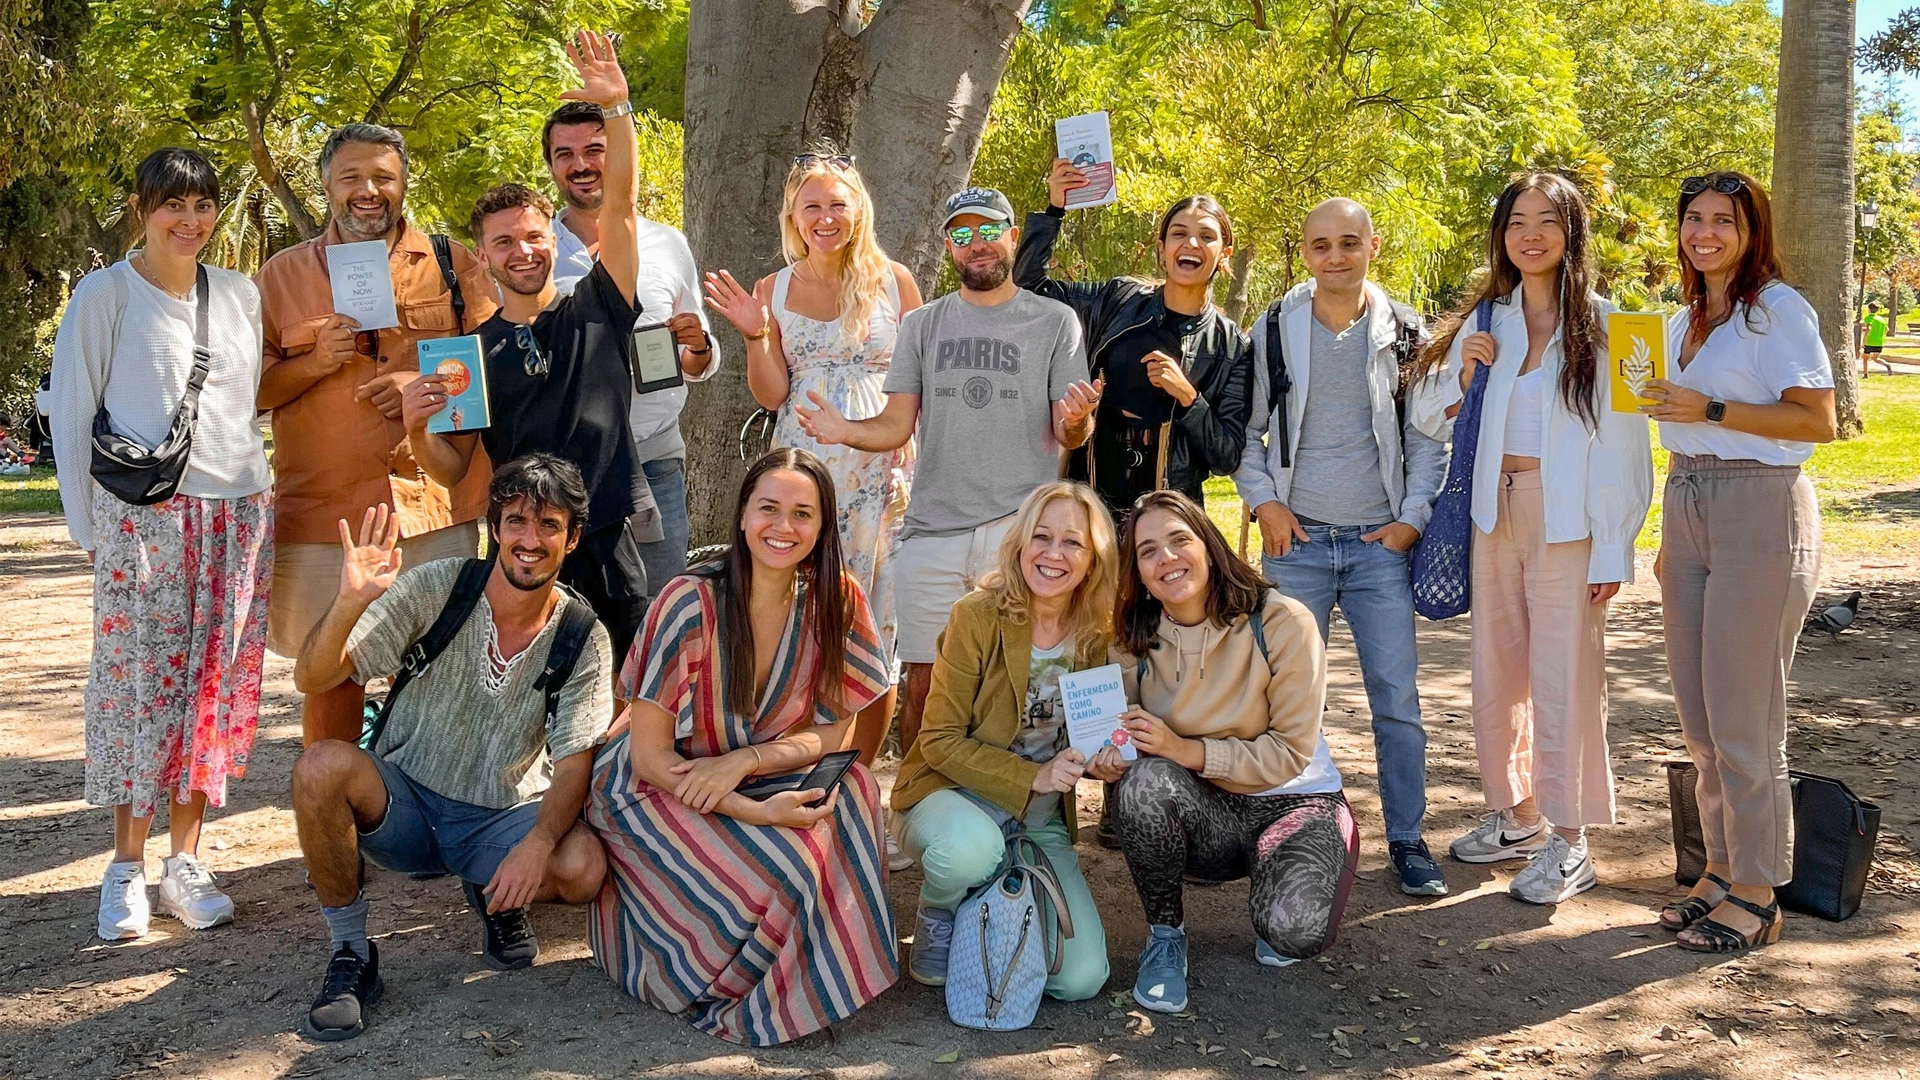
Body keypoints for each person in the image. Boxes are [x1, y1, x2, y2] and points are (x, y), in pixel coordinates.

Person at [288, 454, 613, 1041]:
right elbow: (314, 677)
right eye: (516, 521)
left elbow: (575, 761)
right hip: (403, 806)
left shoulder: (581, 634)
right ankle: (351, 953)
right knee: (319, 767)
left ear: (572, 539)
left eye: (548, 525)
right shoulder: (440, 587)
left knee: (582, 866)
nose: (530, 540)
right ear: (495, 528)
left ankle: (496, 896)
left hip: (497, 818)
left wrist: (538, 843)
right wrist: (349, 601)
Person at [585, 448, 897, 1046]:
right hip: (655, 784)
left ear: (823, 526)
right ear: (743, 515)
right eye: (768, 508)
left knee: (855, 788)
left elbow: (836, 734)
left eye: (802, 514)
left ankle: (811, 984)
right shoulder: (687, 600)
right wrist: (755, 810)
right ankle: (731, 986)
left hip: (754, 769)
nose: (783, 527)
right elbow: (649, 758)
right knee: (785, 865)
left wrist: (745, 763)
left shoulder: (836, 597)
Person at [1405, 172, 1653, 905]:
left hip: (1568, 520)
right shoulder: (1490, 319)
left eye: (1547, 220)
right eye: (1517, 221)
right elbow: (1425, 417)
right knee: (1498, 673)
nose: (1531, 234)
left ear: (1572, 232)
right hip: (1493, 512)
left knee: (1564, 677)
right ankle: (1517, 815)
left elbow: (1629, 447)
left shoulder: (1616, 327)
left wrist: (1614, 545)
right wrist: (1464, 374)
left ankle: (1571, 839)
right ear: (1502, 235)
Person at [797, 186, 1099, 782]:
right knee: (924, 682)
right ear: (949, 247)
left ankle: (1016, 802)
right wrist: (844, 430)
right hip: (932, 531)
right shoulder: (922, 325)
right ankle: (918, 801)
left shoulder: (1054, 321)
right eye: (962, 234)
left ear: (1013, 236)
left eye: (988, 230)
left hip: (1019, 531)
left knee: (1013, 679)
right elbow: (895, 425)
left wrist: (1078, 419)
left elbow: (1070, 430)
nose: (976, 244)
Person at [49, 147, 274, 942]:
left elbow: (249, 402)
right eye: (172, 204)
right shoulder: (107, 293)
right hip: (143, 518)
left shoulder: (240, 294)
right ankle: (124, 869)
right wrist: (87, 529)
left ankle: (185, 862)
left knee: (211, 688)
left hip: (238, 512)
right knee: (139, 688)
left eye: (203, 204)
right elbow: (72, 411)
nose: (190, 220)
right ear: (142, 210)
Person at [403, 31, 650, 663]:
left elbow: (621, 205)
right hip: (521, 550)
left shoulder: (599, 305)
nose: (523, 251)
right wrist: (417, 429)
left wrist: (617, 109)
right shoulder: (466, 356)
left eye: (534, 237)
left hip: (603, 540)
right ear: (483, 256)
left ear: (554, 240)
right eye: (504, 242)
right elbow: (451, 468)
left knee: (623, 691)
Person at [1640, 172, 1837, 953]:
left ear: (1753, 231)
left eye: (1724, 219)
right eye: (1694, 218)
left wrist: (1711, 409)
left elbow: (1818, 420)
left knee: (1744, 718)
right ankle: (1718, 870)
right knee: (1700, 719)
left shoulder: (1777, 311)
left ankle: (1758, 893)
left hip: (1760, 505)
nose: (1706, 233)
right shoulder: (1685, 317)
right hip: (1688, 499)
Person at [256, 121, 498, 745]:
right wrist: (314, 362)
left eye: (383, 177)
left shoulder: (452, 264)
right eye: (352, 178)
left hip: (432, 507)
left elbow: (486, 371)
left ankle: (419, 796)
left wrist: (424, 386)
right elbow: (249, 392)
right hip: (323, 513)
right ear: (326, 186)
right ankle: (334, 792)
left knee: (437, 669)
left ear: (404, 183)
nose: (368, 191)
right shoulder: (281, 276)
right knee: (331, 673)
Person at [1234, 198, 1450, 897]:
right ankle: (1289, 837)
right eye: (1321, 244)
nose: (1336, 256)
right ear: (1304, 252)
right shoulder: (1274, 328)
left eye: (1349, 243)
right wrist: (1264, 502)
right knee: (1286, 702)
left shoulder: (1407, 332)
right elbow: (1247, 432)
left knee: (1397, 700)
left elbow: (1427, 437)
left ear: (1372, 247)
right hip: (1294, 542)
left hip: (1377, 547)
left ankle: (1408, 839)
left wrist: (1411, 519)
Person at [1087, 491, 1354, 1014]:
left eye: (1179, 540)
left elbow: (1289, 752)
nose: (1166, 558)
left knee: (1291, 934)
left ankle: (1310, 861)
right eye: (1147, 551)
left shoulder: (1282, 621)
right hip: (1207, 814)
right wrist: (1108, 760)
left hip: (1293, 803)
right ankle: (1166, 935)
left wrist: (1184, 749)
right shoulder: (1130, 638)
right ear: (1136, 572)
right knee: (1141, 785)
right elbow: (1115, 735)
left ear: (1209, 546)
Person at [702, 152, 924, 767]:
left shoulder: (894, 280)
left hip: (882, 469)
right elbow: (772, 393)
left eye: (837, 205)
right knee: (807, 602)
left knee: (874, 613)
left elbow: (919, 380)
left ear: (858, 211)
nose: (826, 218)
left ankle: (863, 767)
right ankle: (800, 752)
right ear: (793, 217)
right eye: (813, 207)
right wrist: (754, 334)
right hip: (806, 472)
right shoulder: (773, 289)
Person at [890, 481, 1116, 1001]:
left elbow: (1096, 730)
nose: (1053, 553)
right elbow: (938, 740)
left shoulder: (1097, 632)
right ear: (1019, 543)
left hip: (1036, 818)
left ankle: (992, 899)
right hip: (948, 797)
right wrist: (1033, 776)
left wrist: (1105, 759)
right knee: (970, 853)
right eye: (1041, 536)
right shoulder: (976, 615)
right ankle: (941, 909)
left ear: (1093, 560)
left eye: (1073, 543)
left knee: (1079, 980)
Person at [544, 100, 718, 594]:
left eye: (595, 149)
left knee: (661, 612)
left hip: (654, 461)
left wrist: (698, 346)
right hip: (564, 469)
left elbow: (699, 361)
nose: (581, 164)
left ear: (617, 155)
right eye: (565, 154)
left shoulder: (667, 243)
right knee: (567, 618)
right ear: (551, 165)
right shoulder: (532, 252)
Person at [1014, 160, 1254, 516]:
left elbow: (1226, 457)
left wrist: (1188, 398)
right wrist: (1054, 209)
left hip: (1169, 514)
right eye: (1179, 233)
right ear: (1162, 247)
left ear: (1224, 255)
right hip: (1091, 499)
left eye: (1206, 236)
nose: (1191, 243)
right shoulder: (1118, 299)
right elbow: (1030, 288)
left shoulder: (1232, 347)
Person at [1861, 301, 1894, 376]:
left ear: (1869, 309)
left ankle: (1865, 375)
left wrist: (1864, 341)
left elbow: (1868, 329)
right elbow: (1887, 330)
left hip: (1869, 341)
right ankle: (1887, 365)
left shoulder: (1868, 318)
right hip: (1879, 342)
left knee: (1865, 359)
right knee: (1875, 359)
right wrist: (1882, 336)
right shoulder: (1881, 319)